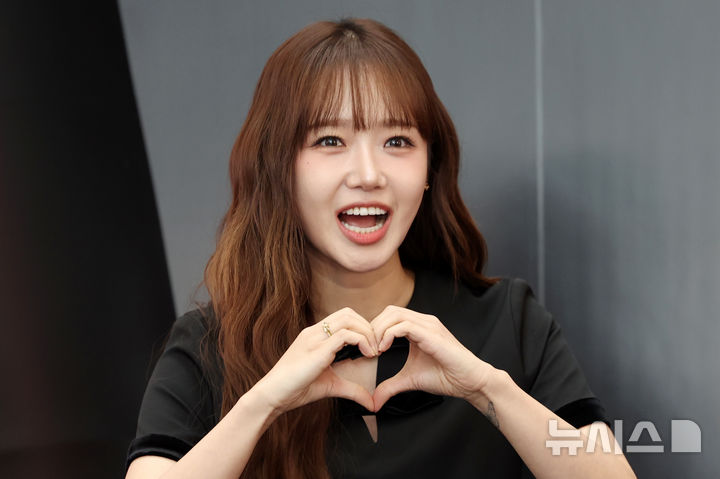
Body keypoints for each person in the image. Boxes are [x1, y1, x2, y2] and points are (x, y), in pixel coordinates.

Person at [125, 18, 636, 479]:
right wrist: (264, 403)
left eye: (397, 141)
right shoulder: (211, 345)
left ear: (430, 168)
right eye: (330, 140)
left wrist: (486, 388)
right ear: (278, 168)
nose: (368, 175)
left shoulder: (509, 322)